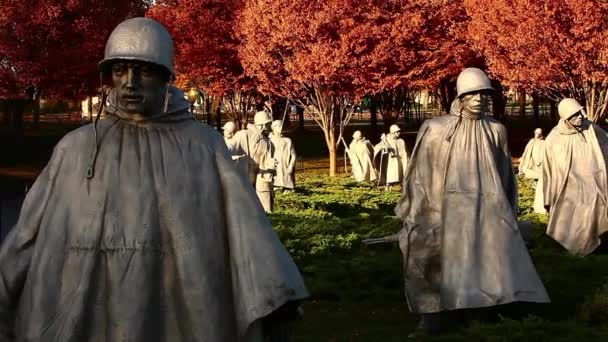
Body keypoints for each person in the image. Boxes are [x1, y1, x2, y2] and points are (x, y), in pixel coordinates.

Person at [0, 18, 307, 342]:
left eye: (143, 70)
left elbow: (247, 230)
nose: (129, 82)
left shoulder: (202, 146)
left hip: (181, 314)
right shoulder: (77, 148)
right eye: (120, 70)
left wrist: (277, 295)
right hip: (85, 313)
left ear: (165, 77)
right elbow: (27, 235)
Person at [394, 67, 549, 336]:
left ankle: (479, 314)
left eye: (484, 93)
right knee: (430, 256)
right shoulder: (435, 128)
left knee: (486, 258)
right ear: (461, 96)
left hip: (485, 208)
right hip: (441, 208)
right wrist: (420, 209)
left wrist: (507, 212)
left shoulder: (496, 130)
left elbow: (504, 174)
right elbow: (420, 172)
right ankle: (431, 318)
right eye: (473, 93)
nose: (479, 98)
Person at [543, 98, 608, 256]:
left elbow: (605, 141)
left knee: (597, 202)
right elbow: (549, 167)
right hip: (568, 183)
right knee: (571, 207)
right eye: (574, 115)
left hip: (592, 179)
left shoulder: (590, 128)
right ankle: (572, 242)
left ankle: (595, 241)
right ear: (566, 118)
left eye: (580, 113)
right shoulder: (554, 138)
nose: (580, 117)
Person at [232, 111, 276, 213]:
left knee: (264, 196)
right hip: (246, 170)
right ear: (264, 124)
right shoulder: (243, 134)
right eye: (269, 122)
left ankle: (267, 215)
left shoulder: (268, 142)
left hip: (261, 173)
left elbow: (268, 159)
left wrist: (271, 164)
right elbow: (231, 147)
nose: (271, 124)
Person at [518, 128, 547, 214]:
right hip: (532, 165)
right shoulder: (531, 142)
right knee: (536, 182)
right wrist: (523, 162)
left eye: (539, 133)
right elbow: (526, 153)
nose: (537, 135)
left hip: (540, 166)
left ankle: (540, 205)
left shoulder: (544, 143)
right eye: (536, 133)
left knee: (540, 183)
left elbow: (544, 154)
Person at [373, 124, 408, 189]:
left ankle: (398, 184)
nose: (399, 133)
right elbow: (377, 147)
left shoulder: (401, 141)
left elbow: (405, 153)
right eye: (397, 132)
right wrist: (383, 147)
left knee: (398, 173)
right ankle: (388, 185)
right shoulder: (386, 140)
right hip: (389, 161)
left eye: (399, 131)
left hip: (399, 161)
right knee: (390, 174)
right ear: (393, 132)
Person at [270, 120, 297, 192]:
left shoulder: (287, 140)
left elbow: (293, 155)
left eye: (281, 125)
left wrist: (291, 166)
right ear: (273, 128)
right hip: (275, 169)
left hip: (285, 168)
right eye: (278, 126)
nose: (281, 127)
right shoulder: (270, 141)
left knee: (288, 190)